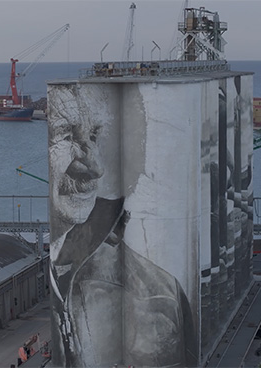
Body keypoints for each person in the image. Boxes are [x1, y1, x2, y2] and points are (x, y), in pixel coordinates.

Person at [47, 85, 198, 367]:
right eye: (66, 137)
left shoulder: (160, 294)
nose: (95, 166)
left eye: (94, 136)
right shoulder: (161, 290)